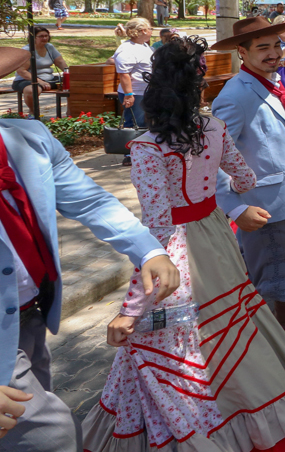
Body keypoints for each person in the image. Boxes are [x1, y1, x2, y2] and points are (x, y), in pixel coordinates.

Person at [82, 38, 285, 452]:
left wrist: (130, 310)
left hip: (180, 250)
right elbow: (244, 179)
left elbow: (158, 230)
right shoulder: (214, 129)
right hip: (217, 238)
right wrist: (221, 195)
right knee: (234, 324)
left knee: (174, 339)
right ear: (197, 87)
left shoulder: (148, 148)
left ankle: (203, 425)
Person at [0, 47, 180, 452]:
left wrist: (149, 251)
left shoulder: (29, 139)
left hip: (31, 314)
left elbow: (90, 201)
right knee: (54, 435)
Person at [211, 17, 285, 356]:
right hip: (264, 204)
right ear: (242, 52)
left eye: (276, 45)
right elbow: (212, 158)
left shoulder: (270, 83)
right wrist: (235, 207)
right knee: (278, 268)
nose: (273, 53)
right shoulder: (235, 96)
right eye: (263, 48)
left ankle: (284, 327)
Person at [114, 18, 154, 164]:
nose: (151, 32)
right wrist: (129, 95)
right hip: (135, 93)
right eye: (150, 29)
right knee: (134, 123)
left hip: (146, 92)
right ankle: (130, 155)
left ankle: (143, 151)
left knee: (145, 123)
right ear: (143, 31)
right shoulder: (127, 49)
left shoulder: (144, 46)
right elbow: (124, 74)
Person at [10, 27, 66, 115]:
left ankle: (71, 113)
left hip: (48, 79)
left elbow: (60, 62)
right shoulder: (27, 50)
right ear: (33, 38)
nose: (44, 38)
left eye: (46, 36)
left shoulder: (49, 47)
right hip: (26, 80)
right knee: (32, 90)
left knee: (72, 83)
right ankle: (33, 113)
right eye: (41, 36)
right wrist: (40, 82)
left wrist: (69, 73)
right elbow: (22, 71)